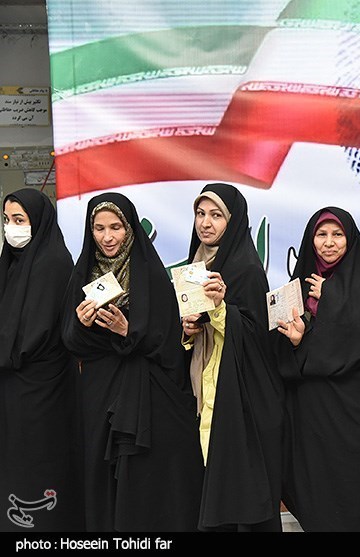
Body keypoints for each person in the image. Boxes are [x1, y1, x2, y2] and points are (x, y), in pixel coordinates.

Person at [61, 192, 203, 532]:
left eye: (116, 228)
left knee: (143, 477)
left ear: (130, 230)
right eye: (98, 228)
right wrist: (80, 325)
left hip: (146, 395)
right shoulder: (82, 276)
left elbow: (170, 346)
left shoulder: (150, 276)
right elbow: (71, 344)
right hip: (100, 393)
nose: (107, 237)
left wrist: (129, 331)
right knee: (100, 472)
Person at [275, 207, 360, 531]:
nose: (329, 242)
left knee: (356, 493)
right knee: (317, 494)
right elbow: (279, 352)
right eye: (321, 235)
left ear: (350, 239)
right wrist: (297, 342)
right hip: (311, 412)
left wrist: (332, 296)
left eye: (337, 234)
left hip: (356, 410)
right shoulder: (296, 286)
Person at [181, 182, 285, 531]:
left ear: (234, 220)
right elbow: (186, 331)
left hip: (239, 399)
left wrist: (221, 307)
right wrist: (187, 332)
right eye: (200, 213)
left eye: (216, 215)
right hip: (205, 392)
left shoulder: (246, 270)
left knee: (240, 501)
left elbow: (259, 338)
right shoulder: (195, 266)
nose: (205, 223)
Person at [0, 189, 83, 532]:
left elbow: (33, 334)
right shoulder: (14, 261)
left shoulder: (53, 262)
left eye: (20, 220)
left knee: (40, 461)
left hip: (43, 387)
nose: (11, 228)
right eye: (7, 220)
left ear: (39, 221)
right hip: (14, 385)